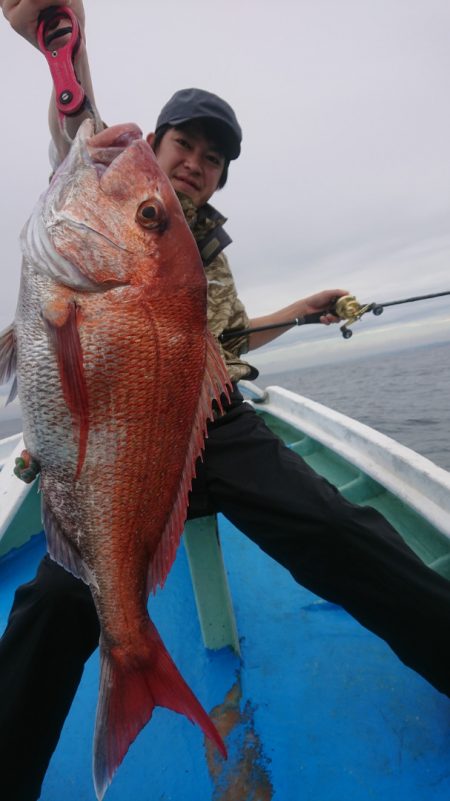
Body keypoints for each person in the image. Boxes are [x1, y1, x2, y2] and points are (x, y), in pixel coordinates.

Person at [2, 3, 450, 800]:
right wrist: (63, 46)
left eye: (214, 159)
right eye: (185, 145)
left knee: (334, 526)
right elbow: (79, 129)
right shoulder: (121, 201)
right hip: (125, 431)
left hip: (216, 424)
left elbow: (231, 342)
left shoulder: (205, 251)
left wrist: (301, 309)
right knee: (55, 600)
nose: (196, 164)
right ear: (159, 145)